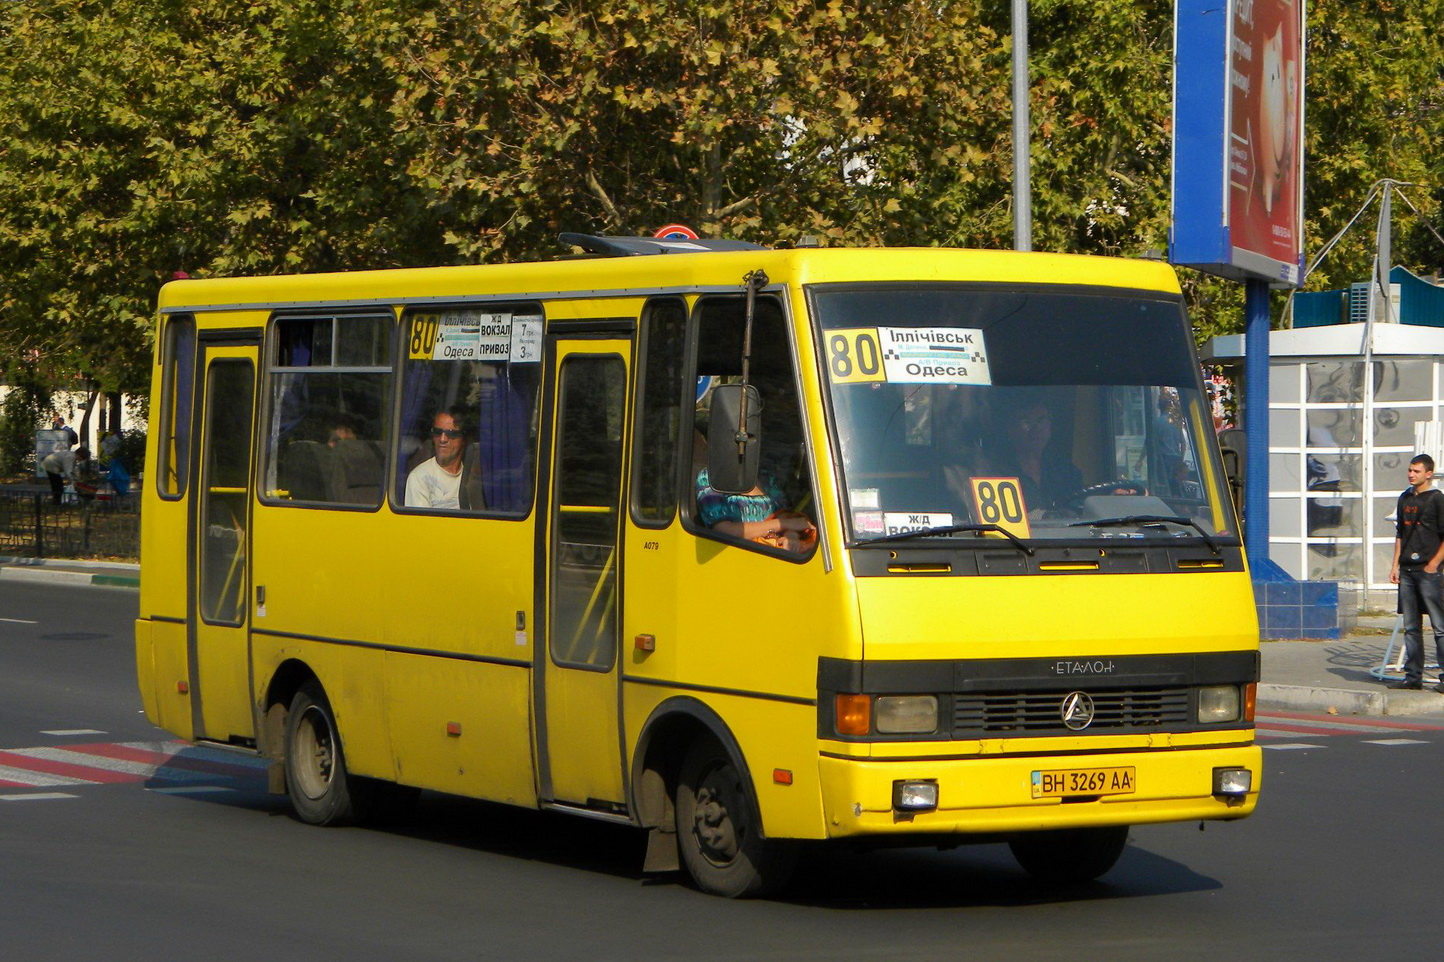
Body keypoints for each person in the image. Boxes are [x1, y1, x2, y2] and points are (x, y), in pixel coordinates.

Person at [1387, 454, 1444, 692]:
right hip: (1408, 571)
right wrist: (1395, 565)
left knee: (1440, 626)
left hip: (1428, 571)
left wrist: (1434, 564)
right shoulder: (1405, 498)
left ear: (1428, 474)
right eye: (1410, 470)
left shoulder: (1437, 499)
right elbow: (1400, 533)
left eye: (1416, 471)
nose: (1411, 474)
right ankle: (1413, 677)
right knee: (1411, 626)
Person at [695, 465, 815, 552]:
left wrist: (791, 536)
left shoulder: (766, 476)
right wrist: (783, 524)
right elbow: (723, 530)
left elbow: (782, 513)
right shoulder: (711, 478)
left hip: (775, 560)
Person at [992, 400, 1082, 513]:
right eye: (1026, 421)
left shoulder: (1066, 471)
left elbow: (1079, 510)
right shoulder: (996, 471)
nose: (1036, 428)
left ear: (1050, 427)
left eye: (1041, 420)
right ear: (1011, 429)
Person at [405, 408, 469, 510]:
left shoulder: (471, 477)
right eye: (437, 432)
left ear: (464, 439)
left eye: (451, 433)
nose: (442, 439)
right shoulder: (419, 477)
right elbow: (421, 524)